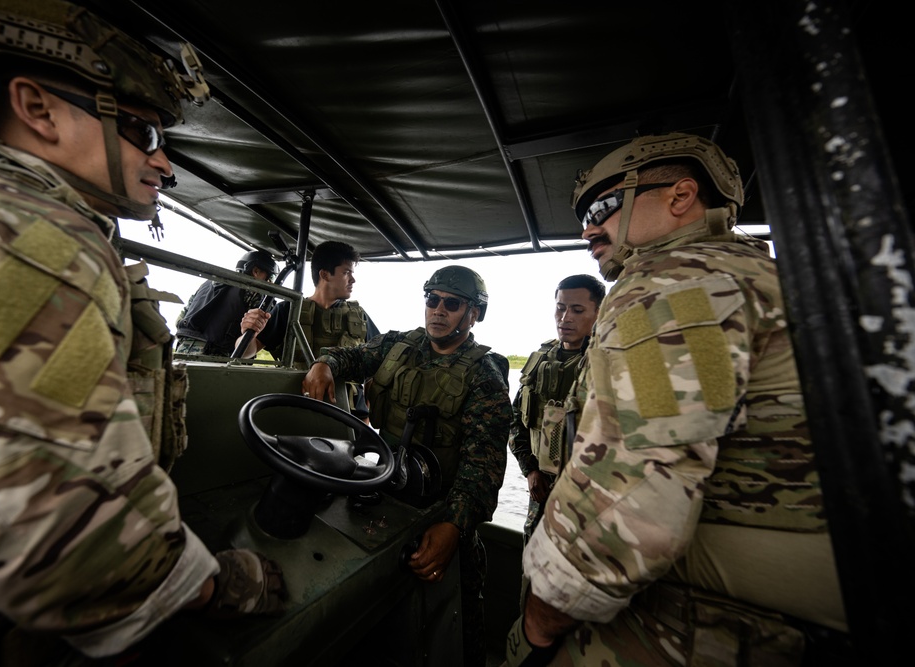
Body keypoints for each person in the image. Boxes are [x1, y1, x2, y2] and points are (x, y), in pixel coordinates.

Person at [0, 1, 285, 663]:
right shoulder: (28, 239)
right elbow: (59, 547)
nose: (165, 165)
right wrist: (221, 583)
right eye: (143, 132)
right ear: (38, 108)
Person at [506, 134, 849, 666]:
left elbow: (636, 486)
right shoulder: (759, 275)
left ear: (680, 196)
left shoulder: (673, 281)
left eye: (602, 207)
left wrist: (543, 614)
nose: (587, 229)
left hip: (708, 616)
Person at [303, 265, 512, 667]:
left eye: (452, 304)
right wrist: (324, 364)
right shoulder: (398, 346)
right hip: (386, 490)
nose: (438, 310)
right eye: (432, 299)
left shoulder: (485, 374)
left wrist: (453, 525)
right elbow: (350, 357)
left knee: (459, 621)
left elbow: (483, 464)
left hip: (441, 506)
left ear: (474, 314)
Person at [508, 274, 604, 543]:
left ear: (599, 312)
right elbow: (516, 420)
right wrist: (530, 470)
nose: (565, 318)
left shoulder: (608, 363)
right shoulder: (540, 360)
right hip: (541, 492)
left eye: (577, 310)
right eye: (560, 308)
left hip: (587, 498)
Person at [239, 239, 379, 416]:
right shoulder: (288, 310)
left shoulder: (359, 316)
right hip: (298, 411)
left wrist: (366, 413)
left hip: (350, 417)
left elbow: (377, 364)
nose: (353, 279)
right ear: (325, 274)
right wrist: (248, 333)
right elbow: (244, 352)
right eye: (346, 273)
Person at [175, 250, 278, 356]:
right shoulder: (255, 292)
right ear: (256, 271)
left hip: (182, 349)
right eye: (270, 278)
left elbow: (180, 318)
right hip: (213, 357)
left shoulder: (208, 284)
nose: (270, 283)